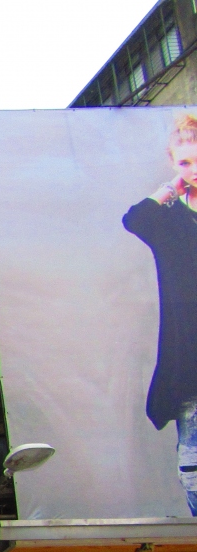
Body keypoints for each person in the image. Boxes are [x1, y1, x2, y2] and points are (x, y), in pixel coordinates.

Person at [124, 113, 197, 515]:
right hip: (190, 364)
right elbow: (135, 220)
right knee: (193, 468)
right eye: (185, 162)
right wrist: (171, 188)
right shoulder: (170, 222)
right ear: (173, 164)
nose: (194, 169)